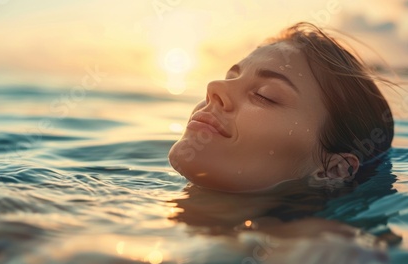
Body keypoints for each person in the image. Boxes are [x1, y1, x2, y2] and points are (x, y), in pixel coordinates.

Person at [168, 22, 394, 193]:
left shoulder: (320, 251)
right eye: (229, 77)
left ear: (333, 171)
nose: (215, 88)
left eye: (264, 95)